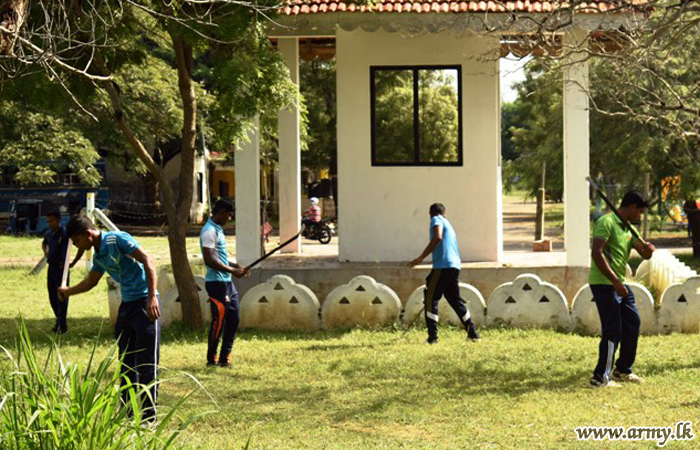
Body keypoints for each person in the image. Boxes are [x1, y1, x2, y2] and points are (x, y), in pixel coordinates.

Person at [58, 216, 161, 421]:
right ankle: (126, 414)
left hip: (145, 304)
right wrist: (68, 291)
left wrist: (152, 297)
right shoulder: (99, 255)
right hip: (127, 307)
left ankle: (150, 417)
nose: (78, 246)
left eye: (77, 241)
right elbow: (91, 281)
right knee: (126, 363)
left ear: (88, 234)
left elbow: (148, 260)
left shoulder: (117, 240)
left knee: (147, 363)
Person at [589, 190, 655, 388]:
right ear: (633, 207)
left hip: (619, 283)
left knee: (632, 323)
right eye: (640, 213)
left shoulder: (628, 229)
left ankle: (623, 370)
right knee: (613, 330)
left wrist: (649, 251)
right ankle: (600, 378)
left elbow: (643, 253)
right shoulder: (606, 223)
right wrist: (615, 282)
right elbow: (597, 253)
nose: (640, 217)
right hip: (604, 283)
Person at [409, 203, 480, 344]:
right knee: (454, 300)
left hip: (442, 267)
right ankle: (473, 334)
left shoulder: (436, 220)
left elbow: (438, 236)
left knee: (430, 298)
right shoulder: (448, 223)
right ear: (444, 213)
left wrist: (421, 257)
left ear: (431, 214)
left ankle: (432, 338)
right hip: (454, 266)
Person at [200, 199, 249, 368]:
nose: (229, 218)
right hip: (216, 283)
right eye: (228, 215)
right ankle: (211, 359)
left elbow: (220, 256)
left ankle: (224, 357)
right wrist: (232, 271)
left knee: (234, 319)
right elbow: (209, 259)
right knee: (219, 321)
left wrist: (236, 266)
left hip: (227, 283)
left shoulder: (218, 230)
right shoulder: (208, 231)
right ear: (220, 212)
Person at [42, 210, 83, 333]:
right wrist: (46, 252)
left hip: (62, 269)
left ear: (59, 220)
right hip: (51, 269)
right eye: (48, 221)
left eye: (52, 221)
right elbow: (44, 244)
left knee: (62, 297)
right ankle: (59, 321)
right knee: (52, 297)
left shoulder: (65, 234)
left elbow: (80, 246)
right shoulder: (48, 234)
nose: (49, 224)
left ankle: (62, 325)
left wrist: (73, 262)